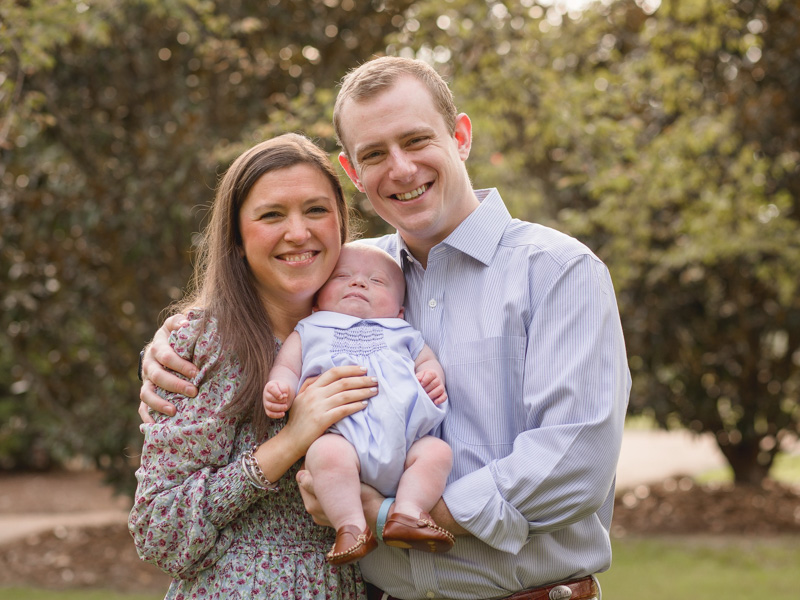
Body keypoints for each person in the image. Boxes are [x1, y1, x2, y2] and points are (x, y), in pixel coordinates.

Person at [140, 57, 631, 600]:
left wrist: (400, 517)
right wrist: (177, 338)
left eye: (416, 140)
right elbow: (257, 297)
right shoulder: (353, 276)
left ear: (461, 136)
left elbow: (574, 463)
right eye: (375, 154)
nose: (400, 169)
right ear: (354, 171)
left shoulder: (556, 271)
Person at [129, 133, 380, 600]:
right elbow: (157, 529)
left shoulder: (379, 327)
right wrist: (289, 441)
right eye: (271, 215)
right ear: (238, 240)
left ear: (343, 225)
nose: (299, 232)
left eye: (316, 210)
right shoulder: (204, 347)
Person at [264, 242, 454, 566]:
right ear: (316, 303)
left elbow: (427, 361)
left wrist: (431, 374)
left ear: (399, 311)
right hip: (344, 439)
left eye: (377, 281)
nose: (359, 282)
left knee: (438, 453)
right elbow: (287, 366)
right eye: (342, 276)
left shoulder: (403, 331)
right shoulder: (310, 328)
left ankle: (408, 512)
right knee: (325, 455)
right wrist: (279, 386)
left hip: (408, 442)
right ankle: (351, 527)